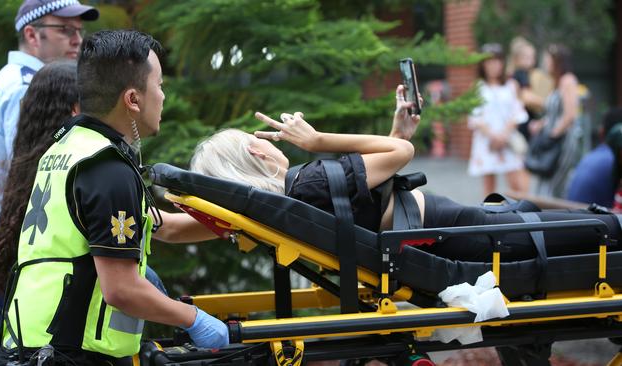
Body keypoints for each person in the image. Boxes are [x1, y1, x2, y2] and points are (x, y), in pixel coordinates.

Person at [0, 30, 226, 366]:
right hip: (69, 353)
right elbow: (121, 289)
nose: (163, 96)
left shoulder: (69, 149)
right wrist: (193, 318)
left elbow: (165, 227)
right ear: (133, 99)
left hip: (32, 342)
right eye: (159, 85)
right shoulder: (108, 169)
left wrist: (234, 227)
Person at [190, 86, 622, 264]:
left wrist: (399, 130)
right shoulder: (308, 182)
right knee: (604, 227)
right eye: (259, 140)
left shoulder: (298, 193)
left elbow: (368, 185)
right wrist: (318, 140)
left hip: (456, 227)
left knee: (549, 215)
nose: (270, 141)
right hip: (461, 232)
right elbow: (403, 154)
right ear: (255, 155)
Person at [0, 0, 98, 337]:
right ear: (32, 34)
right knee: (21, 346)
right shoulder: (23, 89)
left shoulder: (18, 80)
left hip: (2, 236)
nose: (77, 40)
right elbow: (34, 174)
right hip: (13, 239)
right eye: (65, 30)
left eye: (79, 32)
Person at [467, 43, 529, 197]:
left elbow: (518, 113)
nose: (493, 65)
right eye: (489, 61)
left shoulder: (511, 85)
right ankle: (491, 219)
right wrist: (493, 136)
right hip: (487, 141)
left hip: (508, 140)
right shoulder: (477, 87)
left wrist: (504, 135)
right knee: (489, 188)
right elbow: (474, 117)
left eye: (497, 61)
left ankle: (519, 217)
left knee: (517, 185)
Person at [529, 44, 581, 198]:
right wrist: (541, 124)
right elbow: (554, 113)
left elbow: (569, 115)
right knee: (545, 180)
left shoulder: (568, 80)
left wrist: (552, 135)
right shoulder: (556, 82)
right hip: (553, 140)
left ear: (557, 61)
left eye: (547, 59)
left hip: (562, 142)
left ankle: (554, 218)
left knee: (555, 184)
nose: (545, 62)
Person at [566, 108, 622, 207]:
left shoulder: (591, 156)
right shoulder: (612, 159)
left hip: (579, 216)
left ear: (602, 131)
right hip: (597, 219)